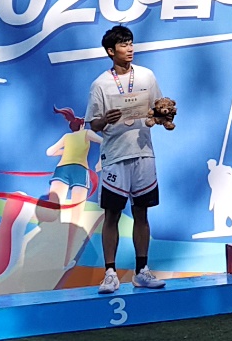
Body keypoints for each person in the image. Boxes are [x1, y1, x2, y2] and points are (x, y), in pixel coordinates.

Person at [86, 25, 167, 292]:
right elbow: (94, 124)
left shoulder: (146, 76)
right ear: (111, 51)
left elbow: (158, 109)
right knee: (112, 215)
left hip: (143, 153)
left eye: (131, 43)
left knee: (141, 212)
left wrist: (164, 115)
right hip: (115, 156)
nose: (130, 49)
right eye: (123, 45)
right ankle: (110, 273)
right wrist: (104, 119)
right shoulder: (100, 84)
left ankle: (142, 271)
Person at [45, 106, 102, 265]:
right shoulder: (86, 133)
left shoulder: (67, 137)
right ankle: (67, 259)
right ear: (82, 125)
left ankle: (54, 255)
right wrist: (100, 162)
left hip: (62, 170)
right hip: (79, 171)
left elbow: (49, 152)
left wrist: (66, 151)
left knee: (55, 212)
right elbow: (104, 142)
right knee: (75, 218)